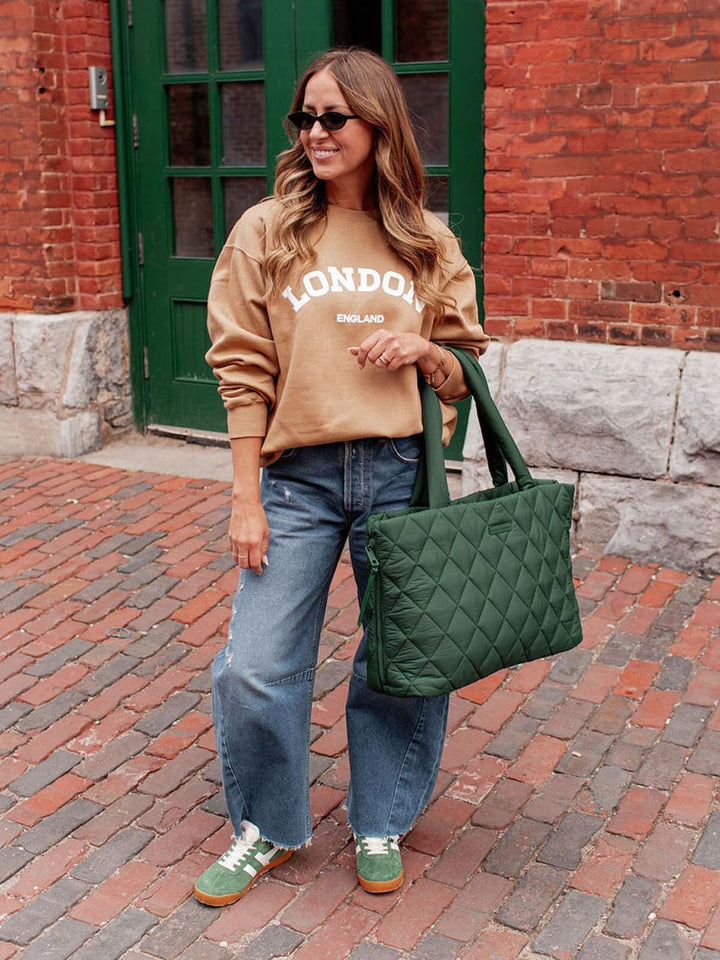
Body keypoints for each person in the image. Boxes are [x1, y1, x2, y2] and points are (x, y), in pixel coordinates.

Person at [194, 46, 489, 907]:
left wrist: (426, 350)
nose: (315, 132)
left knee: (400, 661)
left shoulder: (427, 241)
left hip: (401, 474)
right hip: (297, 481)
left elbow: (468, 368)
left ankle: (379, 818)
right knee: (254, 664)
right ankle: (269, 827)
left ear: (377, 125)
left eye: (334, 117)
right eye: (306, 118)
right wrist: (244, 496)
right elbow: (241, 369)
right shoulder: (267, 231)